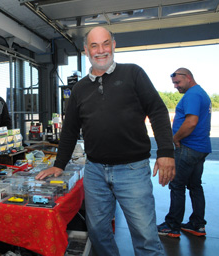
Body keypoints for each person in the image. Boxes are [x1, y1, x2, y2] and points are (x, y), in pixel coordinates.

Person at [35, 26, 176, 256]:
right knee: (98, 231)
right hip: (95, 171)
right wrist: (59, 164)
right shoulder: (79, 89)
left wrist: (166, 152)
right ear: (86, 50)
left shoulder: (133, 74)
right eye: (94, 45)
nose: (100, 50)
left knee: (145, 236)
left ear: (113, 45)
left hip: (133, 170)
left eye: (105, 44)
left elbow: (158, 111)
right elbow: (70, 130)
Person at [157, 68, 211, 238]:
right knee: (195, 186)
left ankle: (172, 226)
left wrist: (176, 138)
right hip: (200, 148)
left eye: (177, 82)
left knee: (177, 186)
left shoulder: (193, 95)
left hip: (188, 148)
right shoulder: (200, 93)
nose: (175, 86)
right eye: (174, 83)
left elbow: (191, 122)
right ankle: (197, 225)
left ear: (188, 78)